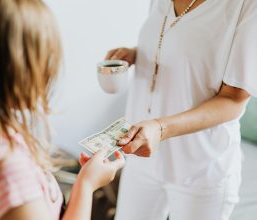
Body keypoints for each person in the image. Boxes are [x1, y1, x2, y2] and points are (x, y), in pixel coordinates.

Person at [0, 0, 125, 220]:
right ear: (10, 68)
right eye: (42, 59)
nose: (48, 71)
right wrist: (86, 185)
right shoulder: (4, 167)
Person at [105, 0, 257, 219]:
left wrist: (160, 128)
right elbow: (180, 42)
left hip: (201, 168)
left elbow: (233, 99)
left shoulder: (245, 5)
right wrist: (135, 53)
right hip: (143, 157)